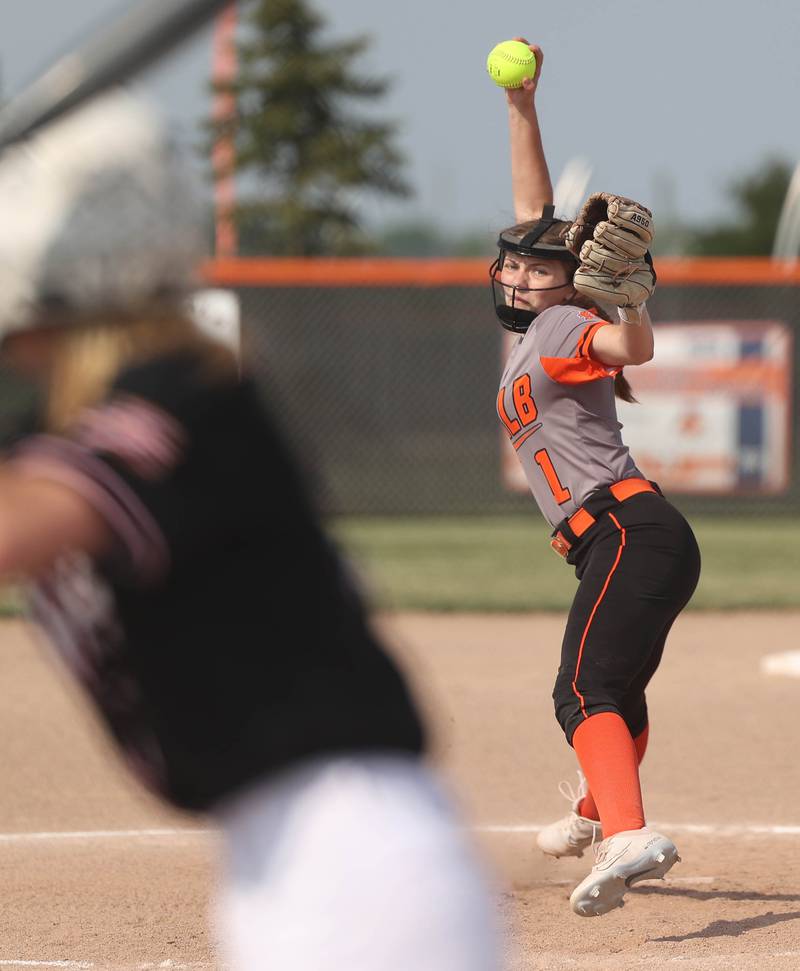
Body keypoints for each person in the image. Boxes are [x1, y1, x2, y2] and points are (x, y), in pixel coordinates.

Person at [0, 92, 501, 969]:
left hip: (352, 858)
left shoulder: (186, 404)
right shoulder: (71, 423)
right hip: (282, 861)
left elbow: (24, 524)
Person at [491, 41, 701, 917]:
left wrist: (631, 298)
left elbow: (630, 346)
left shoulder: (568, 325)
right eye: (514, 262)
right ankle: (595, 807)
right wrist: (522, 107)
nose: (518, 270)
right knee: (617, 688)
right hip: (625, 540)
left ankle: (626, 831)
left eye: (539, 267)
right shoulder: (533, 327)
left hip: (626, 529)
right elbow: (535, 208)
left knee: (582, 688)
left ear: (570, 285)